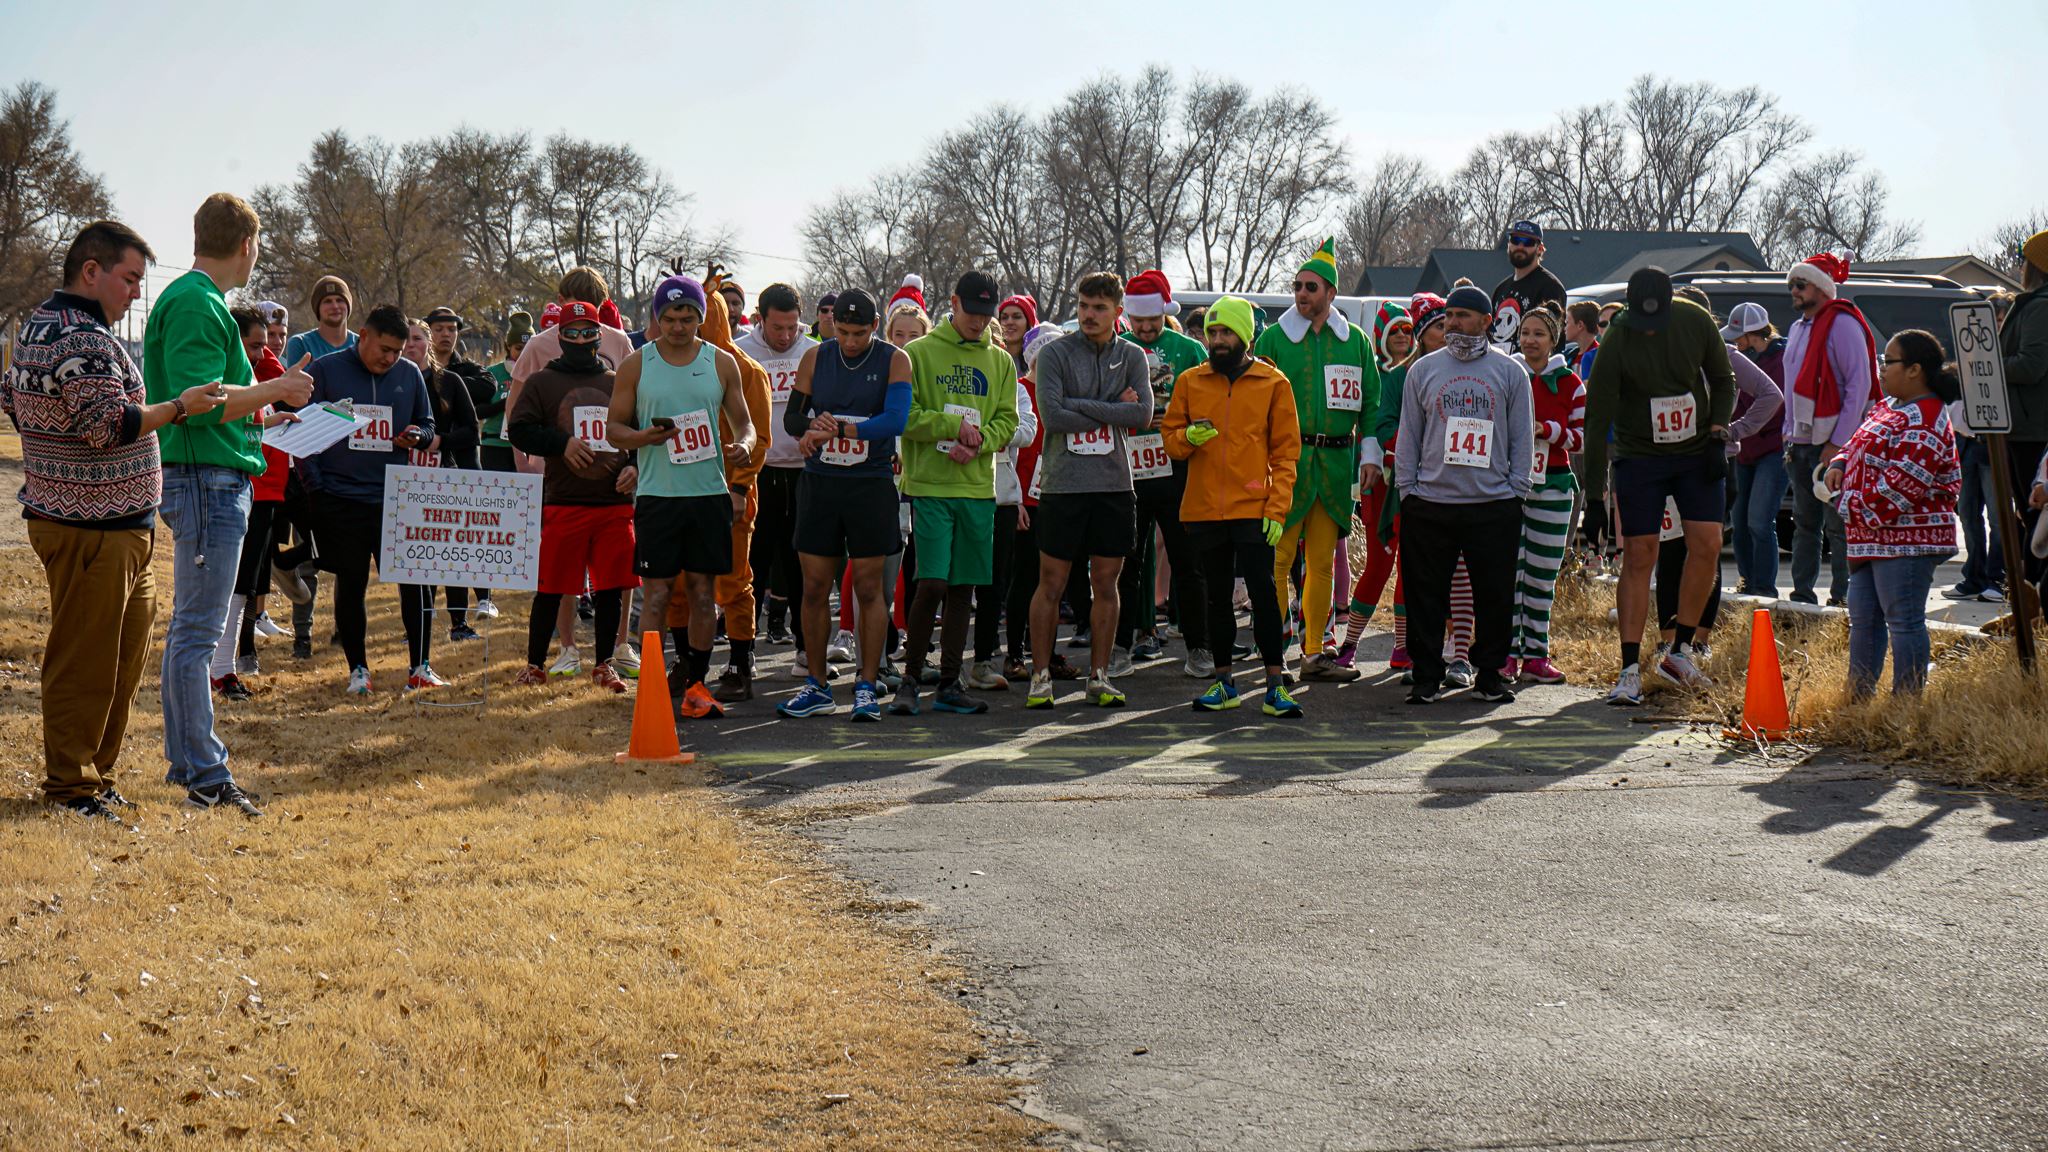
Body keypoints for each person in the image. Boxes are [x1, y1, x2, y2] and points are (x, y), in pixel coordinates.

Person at [7, 222, 222, 819]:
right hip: (91, 530)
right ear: (91, 270)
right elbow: (108, 428)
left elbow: (12, 399)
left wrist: (50, 454)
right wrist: (180, 407)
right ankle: (71, 785)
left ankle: (94, 776)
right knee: (87, 660)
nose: (134, 293)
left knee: (121, 656)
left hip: (112, 525)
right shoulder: (84, 339)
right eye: (129, 279)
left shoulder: (41, 327)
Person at [144, 194, 313, 816]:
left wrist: (270, 402)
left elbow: (216, 399)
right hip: (206, 480)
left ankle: (189, 764)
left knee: (191, 631)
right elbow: (204, 400)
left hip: (209, 474)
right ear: (248, 244)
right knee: (196, 632)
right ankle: (207, 775)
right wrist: (279, 387)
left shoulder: (200, 301)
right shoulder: (196, 302)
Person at [1580, 267, 1737, 706]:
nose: (1650, 333)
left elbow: (1724, 380)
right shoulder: (1617, 337)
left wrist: (1718, 432)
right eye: (1643, 325)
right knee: (1641, 552)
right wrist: (1594, 497)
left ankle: (1680, 652)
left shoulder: (1694, 320)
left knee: (1706, 544)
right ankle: (1629, 668)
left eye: (1657, 324)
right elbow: (1595, 421)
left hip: (1695, 451)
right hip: (1640, 454)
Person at [605, 274, 756, 720]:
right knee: (655, 595)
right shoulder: (637, 364)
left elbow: (743, 422)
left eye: (687, 317)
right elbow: (613, 428)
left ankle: (695, 684)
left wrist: (744, 445)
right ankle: (650, 686)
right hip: (658, 496)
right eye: (669, 318)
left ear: (701, 317)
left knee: (702, 593)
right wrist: (643, 437)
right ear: (657, 318)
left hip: (708, 494)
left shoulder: (720, 362)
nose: (677, 326)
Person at [1161, 296, 1303, 717]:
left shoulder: (1274, 384)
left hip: (1254, 507)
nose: (1218, 341)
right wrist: (1189, 438)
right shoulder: (1190, 381)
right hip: (1203, 509)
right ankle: (1224, 683)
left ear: (1245, 335)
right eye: (1212, 334)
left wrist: (1277, 509)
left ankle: (1276, 685)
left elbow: (1286, 455)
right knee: (1216, 599)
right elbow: (1170, 440)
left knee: (1264, 594)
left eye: (1227, 333)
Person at [776, 288, 913, 721]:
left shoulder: (895, 359)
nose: (850, 341)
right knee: (815, 587)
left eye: (859, 333)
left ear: (875, 327)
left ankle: (867, 685)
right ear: (831, 324)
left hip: (869, 485)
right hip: (822, 484)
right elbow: (791, 418)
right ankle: (816, 684)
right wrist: (811, 423)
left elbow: (896, 419)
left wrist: (840, 432)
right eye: (843, 331)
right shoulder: (816, 357)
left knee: (870, 590)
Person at [1394, 285, 1533, 705]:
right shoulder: (1423, 370)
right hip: (1431, 503)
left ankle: (1490, 674)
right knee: (1425, 595)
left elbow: (1522, 439)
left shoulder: (1510, 373)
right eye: (1449, 315)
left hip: (1492, 504)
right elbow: (1409, 437)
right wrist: (1409, 492)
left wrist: (1515, 493)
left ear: (1487, 322)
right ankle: (1427, 675)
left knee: (1493, 594)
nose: (1452, 322)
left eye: (1463, 315)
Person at [1254, 238, 1381, 682]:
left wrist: (1370, 455)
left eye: (1311, 287)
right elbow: (1255, 403)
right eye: (1298, 286)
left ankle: (1314, 652)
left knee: (1323, 563)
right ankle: (1275, 652)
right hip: (1286, 464)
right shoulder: (1273, 338)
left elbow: (1370, 405)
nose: (1302, 294)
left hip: (1334, 465)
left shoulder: (1356, 342)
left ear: (1331, 292)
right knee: (1278, 560)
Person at [894, 270, 1020, 716]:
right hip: (929, 485)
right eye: (972, 312)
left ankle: (950, 681)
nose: (979, 322)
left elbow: (1009, 420)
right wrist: (953, 427)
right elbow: (904, 415)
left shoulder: (1002, 361)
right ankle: (909, 678)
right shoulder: (918, 353)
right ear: (953, 302)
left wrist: (981, 440)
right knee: (931, 582)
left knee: (963, 587)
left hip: (976, 489)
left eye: (987, 315)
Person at [1024, 272, 1153, 709]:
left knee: (1107, 582)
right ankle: (1040, 677)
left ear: (1118, 312)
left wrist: (1084, 405)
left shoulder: (1132, 355)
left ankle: (1098, 677)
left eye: (1099, 307)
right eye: (1083, 306)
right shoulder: (1057, 352)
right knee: (1052, 583)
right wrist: (1113, 408)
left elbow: (1143, 413)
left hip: (1115, 486)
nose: (1089, 315)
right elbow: (1054, 417)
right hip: (1063, 486)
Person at [298, 304, 436, 696]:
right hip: (342, 497)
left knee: (413, 583)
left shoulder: (409, 374)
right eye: (384, 349)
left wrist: (418, 436)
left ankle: (421, 666)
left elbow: (427, 424)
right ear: (365, 335)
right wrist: (317, 489)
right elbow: (303, 432)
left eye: (397, 351)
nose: (390, 358)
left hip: (396, 497)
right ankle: (358, 668)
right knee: (352, 581)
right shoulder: (326, 370)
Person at [512, 267, 641, 677]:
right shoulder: (542, 379)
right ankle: (537, 663)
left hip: (613, 500)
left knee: (610, 589)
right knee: (551, 585)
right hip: (564, 499)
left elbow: (641, 431)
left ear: (602, 334)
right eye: (574, 332)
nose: (582, 340)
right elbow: (518, 428)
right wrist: (559, 444)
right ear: (559, 335)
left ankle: (606, 663)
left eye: (590, 332)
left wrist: (636, 467)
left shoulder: (618, 382)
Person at [1825, 330, 1961, 697]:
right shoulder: (1891, 405)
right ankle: (1859, 703)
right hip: (1871, 538)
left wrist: (1843, 503)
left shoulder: (1927, 418)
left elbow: (1899, 489)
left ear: (1915, 369)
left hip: (1907, 542)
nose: (1881, 370)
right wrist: (1839, 461)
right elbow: (1856, 441)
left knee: (1903, 622)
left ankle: (1905, 708)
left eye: (1889, 361)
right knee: (1864, 622)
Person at [1649, 287, 1782, 657]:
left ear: (1707, 320)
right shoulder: (1658, 353)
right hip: (1665, 462)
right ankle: (1667, 638)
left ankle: (1699, 641)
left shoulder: (1724, 354)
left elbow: (1772, 396)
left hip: (1711, 462)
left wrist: (1733, 430)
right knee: (1670, 550)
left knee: (1705, 550)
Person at [661, 276, 773, 703]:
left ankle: (740, 662)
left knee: (731, 582)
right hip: (678, 491)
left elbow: (759, 437)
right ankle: (688, 662)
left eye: (692, 318)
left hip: (729, 493)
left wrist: (741, 487)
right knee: (676, 585)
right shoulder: (661, 364)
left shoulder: (744, 369)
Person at [1115, 269, 1210, 677]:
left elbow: (1208, 403)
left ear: (1165, 315)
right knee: (1126, 561)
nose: (1147, 328)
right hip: (1128, 468)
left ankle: (1199, 646)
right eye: (1139, 322)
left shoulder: (1188, 350)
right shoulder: (1116, 348)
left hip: (1176, 466)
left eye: (1153, 320)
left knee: (1187, 561)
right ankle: (1121, 644)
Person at [207, 307, 296, 700]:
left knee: (243, 581)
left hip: (254, 487)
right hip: (219, 487)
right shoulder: (213, 375)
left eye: (267, 343)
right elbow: (216, 418)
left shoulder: (252, 374)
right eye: (255, 344)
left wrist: (272, 422)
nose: (262, 353)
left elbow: (246, 421)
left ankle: (223, 668)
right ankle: (212, 668)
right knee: (219, 583)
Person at [1781, 252, 1877, 607]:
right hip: (1798, 442)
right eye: (1791, 284)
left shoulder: (1843, 324)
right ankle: (1802, 596)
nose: (1793, 289)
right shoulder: (1797, 327)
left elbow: (1860, 386)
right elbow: (1791, 388)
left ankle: (1844, 599)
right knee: (1804, 524)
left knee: (1838, 525)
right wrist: (1786, 434)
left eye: (1800, 284)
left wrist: (1839, 444)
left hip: (1832, 446)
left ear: (1821, 288)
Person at [1504, 304, 1584, 684]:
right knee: (1507, 573)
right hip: (1508, 487)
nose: (1530, 340)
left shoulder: (1571, 383)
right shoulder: (1506, 374)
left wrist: (1548, 430)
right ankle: (1503, 654)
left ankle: (1535, 655)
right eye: (1524, 333)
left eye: (1539, 334)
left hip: (1553, 485)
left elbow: (1581, 440)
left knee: (1541, 576)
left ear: (1554, 340)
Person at [737, 283, 817, 649]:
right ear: (759, 319)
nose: (786, 336)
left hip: (805, 469)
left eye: (792, 327)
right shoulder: (740, 353)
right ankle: (744, 651)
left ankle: (805, 649)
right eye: (777, 328)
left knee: (803, 564)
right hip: (758, 471)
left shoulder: (815, 353)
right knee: (754, 561)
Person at [1335, 300, 1415, 669]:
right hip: (1380, 484)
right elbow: (1367, 425)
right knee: (1380, 565)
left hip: (1414, 482)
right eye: (1394, 330)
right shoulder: (1374, 375)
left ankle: (1401, 647)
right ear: (1380, 336)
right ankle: (1348, 644)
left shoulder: (1420, 372)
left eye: (1407, 329)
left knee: (1411, 565)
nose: (1402, 336)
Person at [399, 316, 482, 660]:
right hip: (403, 480)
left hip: (445, 473)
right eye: (404, 339)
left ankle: (459, 621)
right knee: (416, 556)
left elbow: (472, 431)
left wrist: (439, 442)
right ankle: (419, 624)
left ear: (429, 343)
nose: (410, 344)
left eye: (417, 338)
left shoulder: (449, 382)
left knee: (450, 552)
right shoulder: (391, 382)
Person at [972, 318, 1042, 689]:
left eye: (995, 344)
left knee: (994, 583)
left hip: (1001, 494)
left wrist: (983, 432)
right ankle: (932, 664)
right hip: (952, 491)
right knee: (945, 583)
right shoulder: (959, 380)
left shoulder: (1015, 388)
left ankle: (983, 660)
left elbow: (1026, 431)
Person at [424, 305, 500, 621]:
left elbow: (489, 387)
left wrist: (447, 386)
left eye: (452, 330)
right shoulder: (413, 371)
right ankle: (430, 610)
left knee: (474, 531)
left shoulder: (468, 369)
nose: (446, 335)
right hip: (428, 463)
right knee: (432, 537)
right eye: (439, 329)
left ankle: (484, 598)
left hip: (466, 460)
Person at [1723, 302, 1791, 598]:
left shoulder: (1783, 359)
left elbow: (1775, 404)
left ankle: (1764, 589)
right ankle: (1746, 581)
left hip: (1773, 449)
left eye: (1740, 336)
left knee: (1759, 521)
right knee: (1739, 523)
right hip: (1743, 449)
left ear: (1753, 334)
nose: (1736, 342)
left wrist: (1737, 426)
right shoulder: (1736, 359)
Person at [1999, 230, 2048, 609]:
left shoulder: (2041, 307)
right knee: (2027, 519)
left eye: (2022, 257)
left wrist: (1986, 367)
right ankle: (2028, 606)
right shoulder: (2032, 304)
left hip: (2035, 430)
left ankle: (2034, 608)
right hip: (2023, 426)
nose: (2018, 265)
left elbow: (2031, 366)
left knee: (2034, 522)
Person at [1489, 220, 1568, 350]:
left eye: (1528, 242)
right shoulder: (1501, 289)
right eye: (1515, 240)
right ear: (1509, 244)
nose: (1520, 246)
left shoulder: (1550, 287)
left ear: (1540, 249)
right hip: (1500, 367)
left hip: (1531, 368)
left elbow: (1556, 339)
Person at [480, 311, 532, 474]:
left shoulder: (539, 374)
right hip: (495, 445)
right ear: (508, 347)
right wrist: (508, 402)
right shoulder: (492, 372)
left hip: (526, 444)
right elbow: (479, 411)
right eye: (519, 348)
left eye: (528, 349)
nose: (523, 354)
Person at [284, 275, 356, 364]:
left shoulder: (362, 345)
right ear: (317, 308)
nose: (335, 306)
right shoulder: (301, 344)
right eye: (327, 301)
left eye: (339, 300)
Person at [997, 293, 1039, 375]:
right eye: (1004, 317)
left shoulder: (1038, 360)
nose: (1009, 322)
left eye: (1017, 317)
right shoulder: (992, 356)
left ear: (1029, 323)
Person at [1564, 301, 1602, 379]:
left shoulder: (1599, 356)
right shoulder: (1569, 355)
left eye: (1567, 323)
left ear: (1580, 325)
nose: (1564, 328)